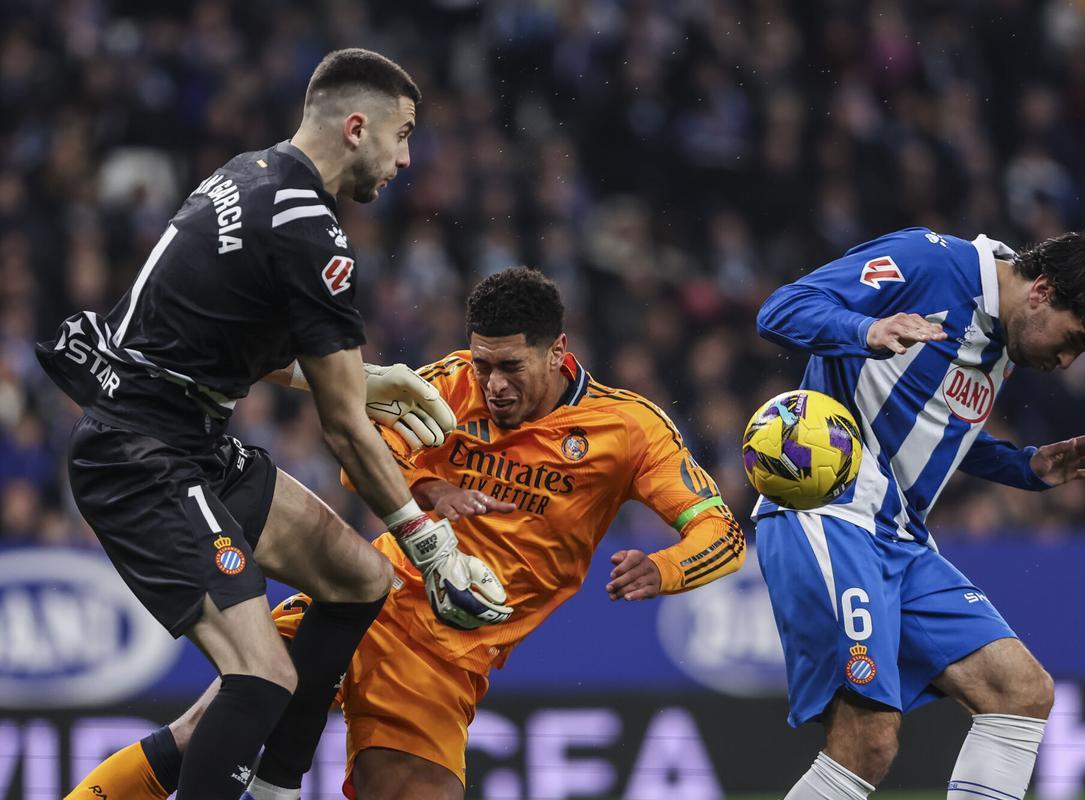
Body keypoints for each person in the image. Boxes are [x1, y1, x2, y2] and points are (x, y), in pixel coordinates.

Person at [68, 266, 748, 800]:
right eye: (484, 362)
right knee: (198, 735)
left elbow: (721, 533)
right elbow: (360, 456)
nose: (494, 383)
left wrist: (665, 571)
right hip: (362, 603)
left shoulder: (628, 430)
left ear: (557, 353)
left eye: (511, 366)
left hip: (446, 662)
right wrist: (429, 489)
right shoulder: (449, 385)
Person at [41, 49, 513, 800]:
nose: (406, 158)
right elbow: (345, 430)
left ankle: (275, 790)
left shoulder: (249, 175)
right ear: (358, 127)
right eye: (402, 135)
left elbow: (210, 343)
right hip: (144, 456)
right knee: (260, 677)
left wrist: (372, 376)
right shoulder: (309, 231)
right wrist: (433, 545)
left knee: (360, 578)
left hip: (178, 434)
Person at [752, 228, 1085, 800]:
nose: (1065, 362)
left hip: (898, 538)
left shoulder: (1003, 334)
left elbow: (934, 418)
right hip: (829, 514)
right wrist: (867, 328)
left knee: (1021, 691)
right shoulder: (927, 264)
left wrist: (1026, 467)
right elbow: (781, 309)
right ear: (1041, 290)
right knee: (868, 741)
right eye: (1074, 341)